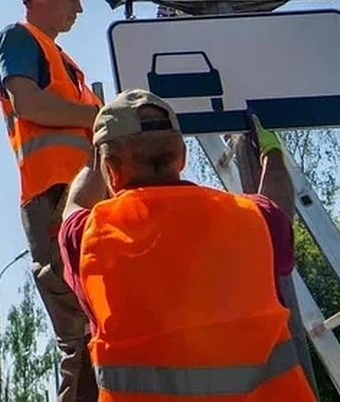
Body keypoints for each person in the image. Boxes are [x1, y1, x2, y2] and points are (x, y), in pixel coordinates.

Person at [58, 90, 316, 401]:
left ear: (110, 167)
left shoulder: (89, 237)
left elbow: (74, 206)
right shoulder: (252, 218)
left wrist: (93, 162)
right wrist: (272, 153)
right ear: (182, 156)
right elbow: (279, 206)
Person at [0, 0, 103, 402]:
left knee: (98, 322)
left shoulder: (64, 62)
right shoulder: (18, 39)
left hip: (78, 197)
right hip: (54, 196)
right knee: (80, 329)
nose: (79, 8)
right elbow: (29, 104)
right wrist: (99, 115)